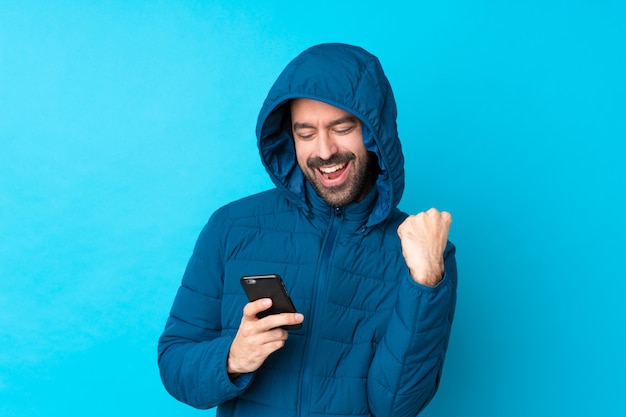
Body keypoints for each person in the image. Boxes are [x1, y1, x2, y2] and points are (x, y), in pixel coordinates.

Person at [158, 42, 457, 417]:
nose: (325, 150)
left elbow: (396, 405)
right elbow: (174, 363)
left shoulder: (424, 254)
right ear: (289, 138)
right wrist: (233, 357)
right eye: (306, 133)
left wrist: (425, 282)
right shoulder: (232, 226)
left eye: (342, 127)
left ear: (373, 132)